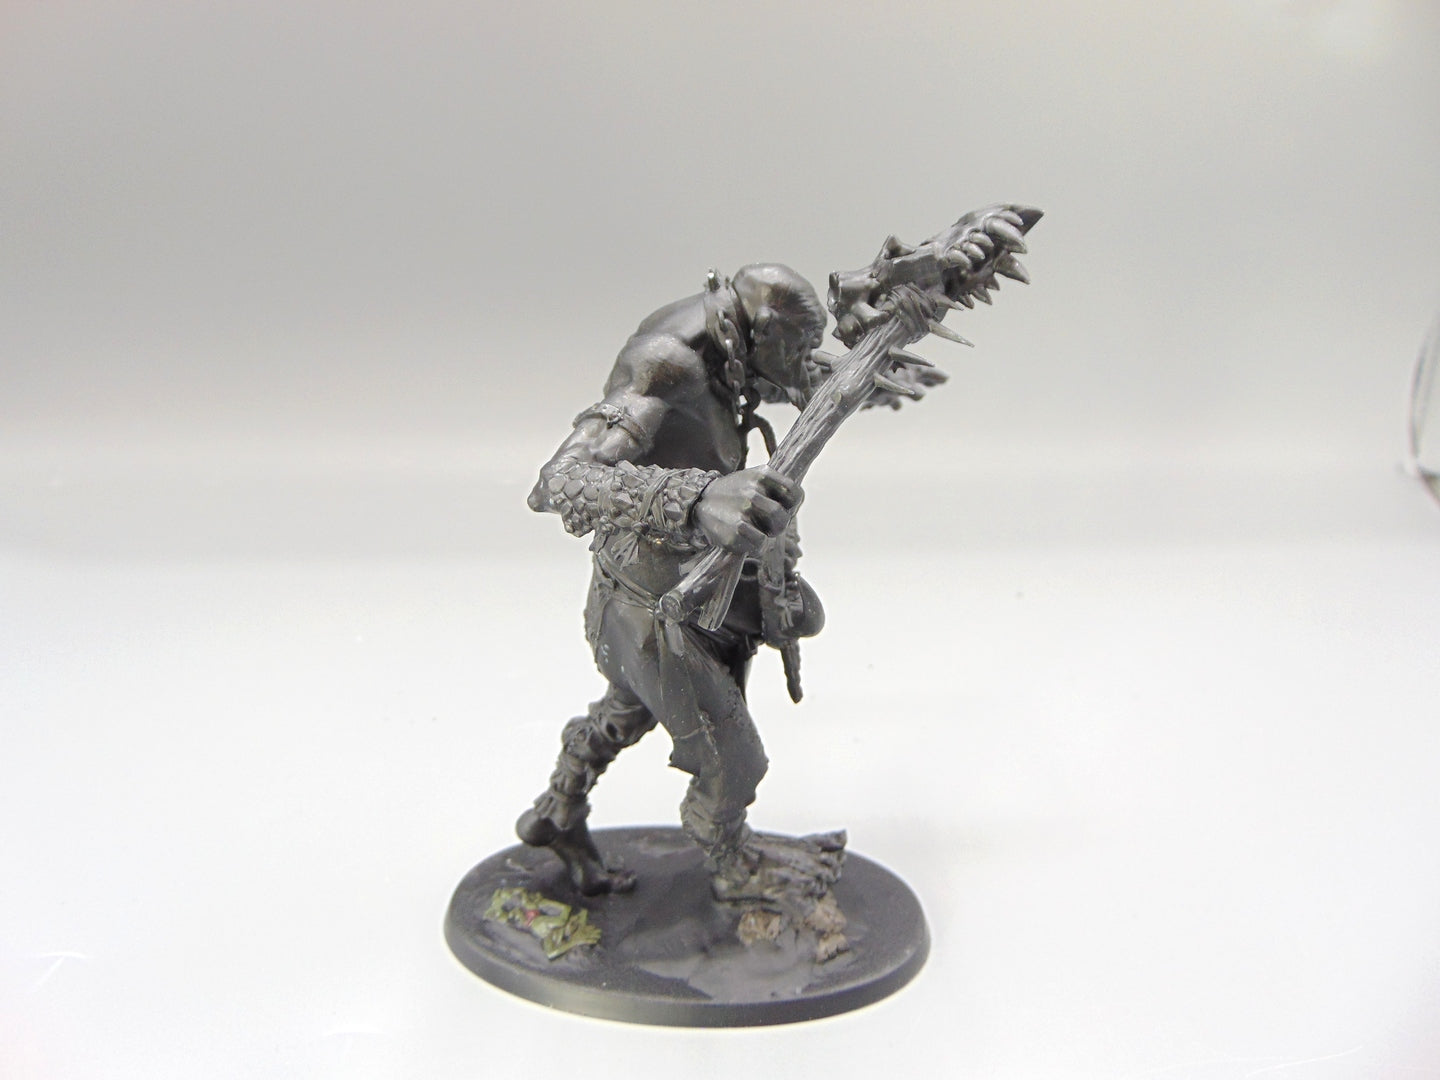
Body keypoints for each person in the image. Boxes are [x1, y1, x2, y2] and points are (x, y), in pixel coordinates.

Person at [517, 263, 843, 901]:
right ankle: (733, 866)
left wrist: (869, 365)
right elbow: (558, 481)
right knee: (732, 758)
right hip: (648, 607)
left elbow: (787, 377)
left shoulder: (726, 337)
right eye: (799, 348)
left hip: (679, 585)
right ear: (763, 328)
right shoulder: (664, 364)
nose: (804, 364)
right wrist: (695, 500)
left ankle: (557, 810)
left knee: (628, 709)